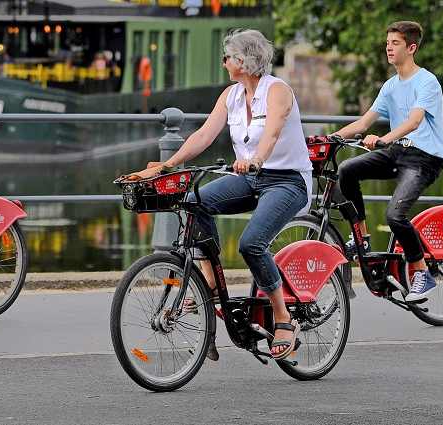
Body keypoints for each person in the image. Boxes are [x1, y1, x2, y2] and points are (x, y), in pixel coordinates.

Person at [127, 29, 311, 361]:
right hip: (250, 177)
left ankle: (284, 318)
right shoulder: (232, 95)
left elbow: (270, 133)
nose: (224, 63)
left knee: (251, 243)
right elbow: (204, 134)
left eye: (227, 57)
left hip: (286, 181)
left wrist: (255, 159)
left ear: (242, 60)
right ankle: (209, 287)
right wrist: (167, 166)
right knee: (195, 203)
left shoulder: (277, 91)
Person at [329, 21, 443, 302]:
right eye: (387, 44)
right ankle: (362, 238)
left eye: (395, 43)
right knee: (347, 169)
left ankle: (422, 273)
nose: (389, 48)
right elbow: (363, 122)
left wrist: (384, 137)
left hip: (424, 158)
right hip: (398, 153)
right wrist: (328, 138)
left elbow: (415, 120)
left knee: (395, 215)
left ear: (411, 48)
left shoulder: (426, 81)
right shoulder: (391, 85)